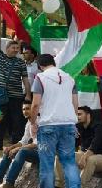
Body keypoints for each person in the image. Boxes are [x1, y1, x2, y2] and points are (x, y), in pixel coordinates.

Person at [30, 54, 80, 188]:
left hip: (48, 125)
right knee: (69, 162)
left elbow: (35, 104)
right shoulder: (70, 78)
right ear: (54, 63)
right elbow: (75, 103)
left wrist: (33, 122)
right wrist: (73, 121)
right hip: (68, 124)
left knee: (47, 164)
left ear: (40, 66)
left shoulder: (40, 77)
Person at [56, 106, 102, 187]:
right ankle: (59, 185)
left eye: (80, 114)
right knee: (60, 156)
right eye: (76, 115)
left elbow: (94, 146)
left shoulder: (99, 127)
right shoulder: (79, 127)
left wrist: (83, 158)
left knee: (90, 159)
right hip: (85, 155)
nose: (77, 117)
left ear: (88, 115)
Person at [0, 100, 38, 188]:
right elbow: (23, 141)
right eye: (23, 109)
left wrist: (17, 149)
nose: (25, 111)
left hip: (43, 154)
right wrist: (11, 147)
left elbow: (37, 143)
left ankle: (9, 183)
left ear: (34, 109)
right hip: (33, 151)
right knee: (8, 151)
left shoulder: (40, 121)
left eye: (28, 108)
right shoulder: (29, 123)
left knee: (22, 152)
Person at [0, 40, 31, 152]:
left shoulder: (21, 62)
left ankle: (15, 145)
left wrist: (28, 94)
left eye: (17, 48)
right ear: (7, 48)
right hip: (2, 96)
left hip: (16, 96)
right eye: (14, 47)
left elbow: (25, 79)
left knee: (16, 121)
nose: (16, 50)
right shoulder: (0, 57)